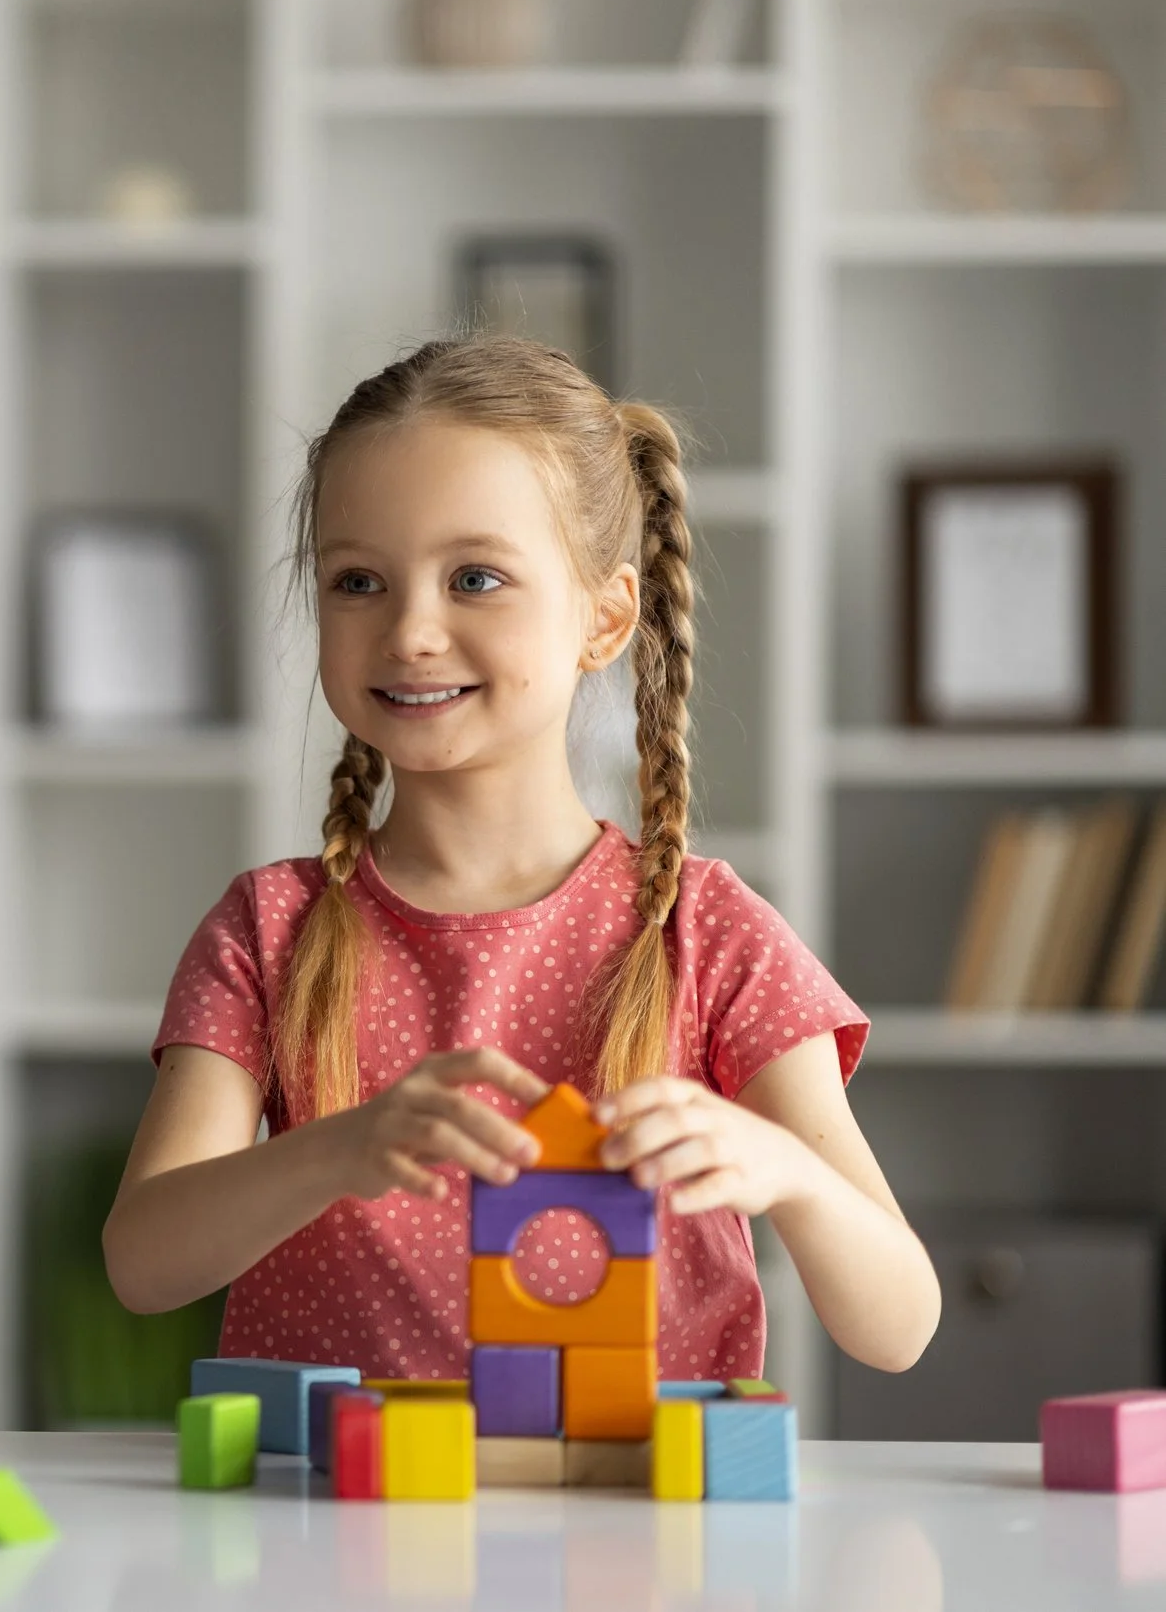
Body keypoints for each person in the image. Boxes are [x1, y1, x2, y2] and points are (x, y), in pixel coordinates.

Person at [103, 335, 940, 1382]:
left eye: (475, 577)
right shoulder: (268, 926)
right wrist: (340, 1147)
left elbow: (898, 1323)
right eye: (357, 579)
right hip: (328, 1526)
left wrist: (790, 1176)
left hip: (632, 1524)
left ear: (604, 618)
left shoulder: (707, 932)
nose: (409, 629)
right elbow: (142, 1261)